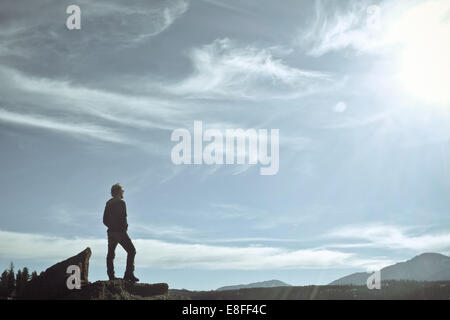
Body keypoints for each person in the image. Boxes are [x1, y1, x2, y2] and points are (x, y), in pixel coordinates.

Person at [103, 183, 139, 282]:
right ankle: (128, 274)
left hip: (111, 232)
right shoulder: (121, 203)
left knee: (110, 255)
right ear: (118, 191)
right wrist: (123, 228)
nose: (123, 192)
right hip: (120, 232)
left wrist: (111, 227)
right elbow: (123, 218)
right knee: (131, 251)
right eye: (122, 190)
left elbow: (104, 220)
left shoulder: (108, 203)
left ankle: (111, 276)